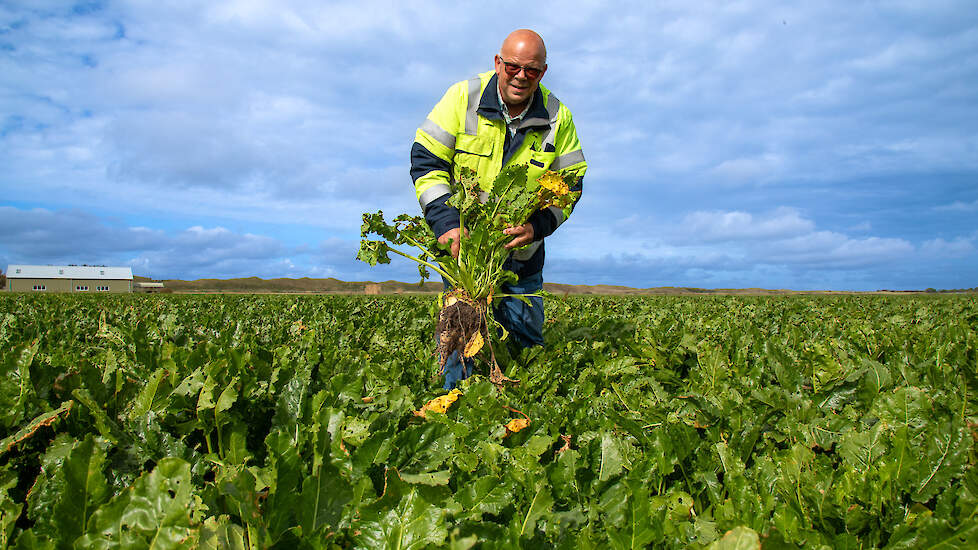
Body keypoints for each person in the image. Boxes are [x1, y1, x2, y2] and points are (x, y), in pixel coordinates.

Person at [410, 29, 587, 389]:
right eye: (513, 67)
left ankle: (528, 404)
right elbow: (426, 161)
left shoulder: (557, 116)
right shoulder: (463, 97)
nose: (521, 76)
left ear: (543, 72)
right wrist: (447, 224)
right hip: (465, 254)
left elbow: (570, 184)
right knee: (459, 342)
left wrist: (535, 227)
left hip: (521, 256)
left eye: (532, 71)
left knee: (527, 347)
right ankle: (457, 403)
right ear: (498, 63)